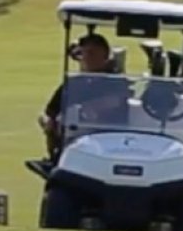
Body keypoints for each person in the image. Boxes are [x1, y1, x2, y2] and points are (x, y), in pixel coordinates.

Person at [27, 30, 128, 177]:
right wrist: (49, 121)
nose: (86, 58)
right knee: (53, 123)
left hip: (109, 136)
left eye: (92, 54)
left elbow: (113, 101)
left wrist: (86, 108)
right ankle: (54, 161)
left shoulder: (115, 81)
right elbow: (50, 111)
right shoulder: (75, 83)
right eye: (84, 54)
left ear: (105, 56)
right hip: (76, 136)